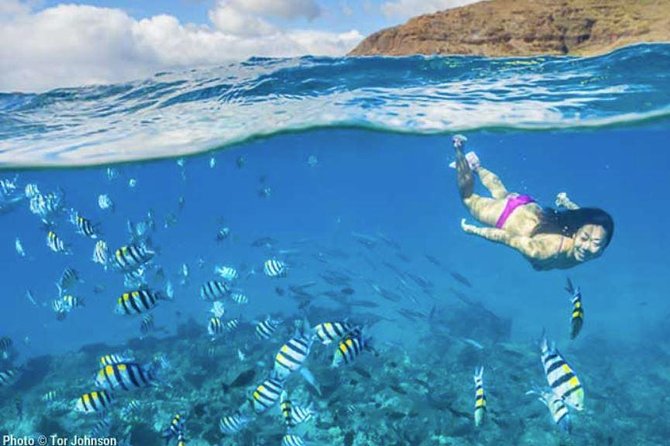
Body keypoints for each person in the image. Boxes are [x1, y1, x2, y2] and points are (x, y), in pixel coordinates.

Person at [452, 135, 613, 271]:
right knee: (467, 198)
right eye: (584, 239)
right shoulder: (541, 251)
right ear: (575, 234)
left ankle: (477, 167)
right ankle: (458, 148)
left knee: (502, 193)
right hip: (505, 216)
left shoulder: (587, 247)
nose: (586, 247)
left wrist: (567, 202)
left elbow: (581, 217)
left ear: (603, 248)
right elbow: (507, 237)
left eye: (596, 243)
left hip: (526, 206)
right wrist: (474, 230)